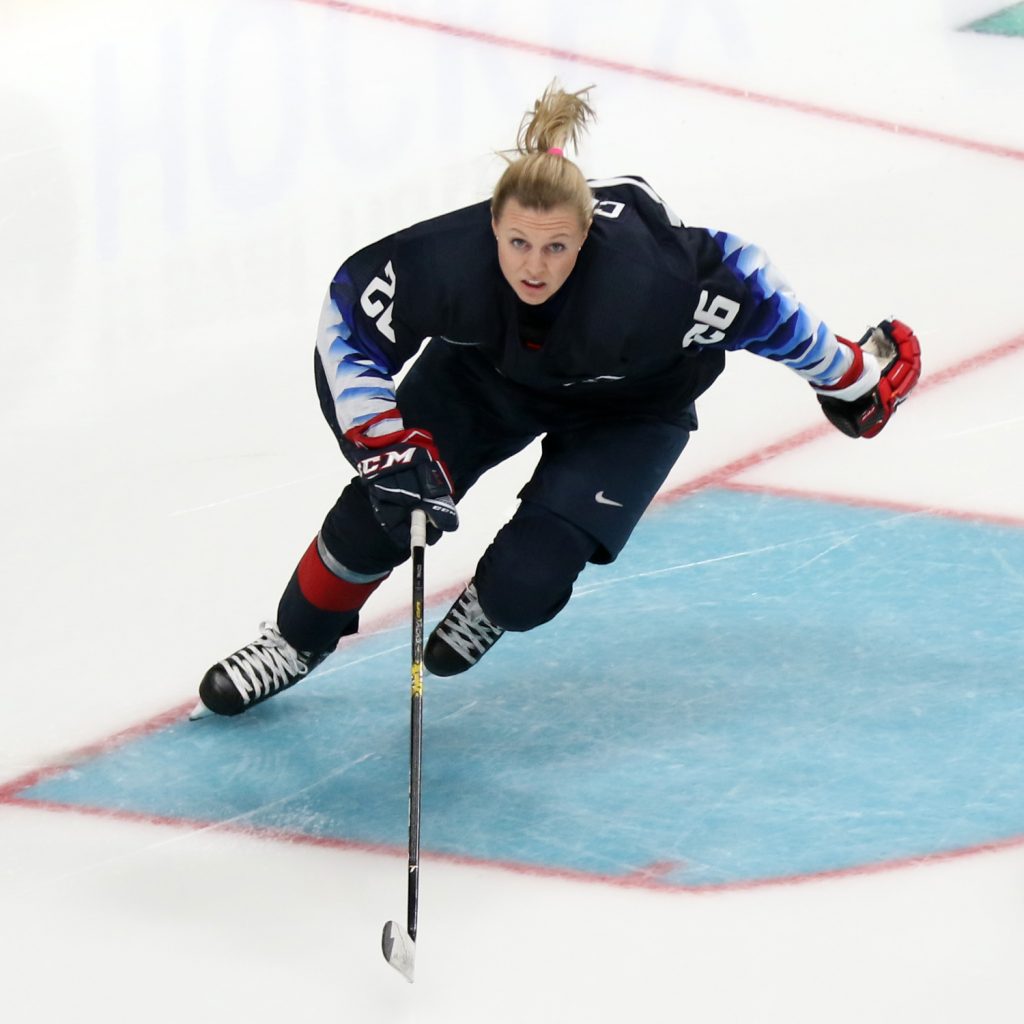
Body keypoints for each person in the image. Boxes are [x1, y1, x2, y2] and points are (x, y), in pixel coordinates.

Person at [192, 82, 921, 719]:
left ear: (585, 241)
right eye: (516, 244)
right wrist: (383, 444)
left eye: (555, 249)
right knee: (371, 519)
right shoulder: (451, 264)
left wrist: (850, 375)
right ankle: (293, 641)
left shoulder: (650, 285)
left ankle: (492, 605)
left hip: (633, 409)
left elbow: (753, 290)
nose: (532, 267)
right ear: (492, 229)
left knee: (524, 587)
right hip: (486, 379)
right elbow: (350, 318)